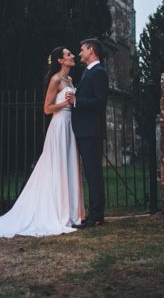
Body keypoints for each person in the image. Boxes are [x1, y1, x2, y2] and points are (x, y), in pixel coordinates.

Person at [0, 47, 84, 237]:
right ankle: (56, 211)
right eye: (68, 54)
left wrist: (74, 101)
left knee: (68, 165)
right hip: (59, 125)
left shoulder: (70, 80)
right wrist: (66, 103)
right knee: (57, 165)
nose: (72, 56)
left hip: (69, 124)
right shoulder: (55, 80)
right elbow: (47, 109)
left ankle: (70, 212)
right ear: (60, 61)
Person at [67, 38, 108, 228]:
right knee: (91, 174)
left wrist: (77, 100)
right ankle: (95, 214)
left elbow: (100, 102)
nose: (80, 53)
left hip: (91, 131)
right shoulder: (89, 72)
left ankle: (96, 216)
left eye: (82, 50)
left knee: (93, 174)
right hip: (85, 130)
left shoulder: (98, 72)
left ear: (91, 51)